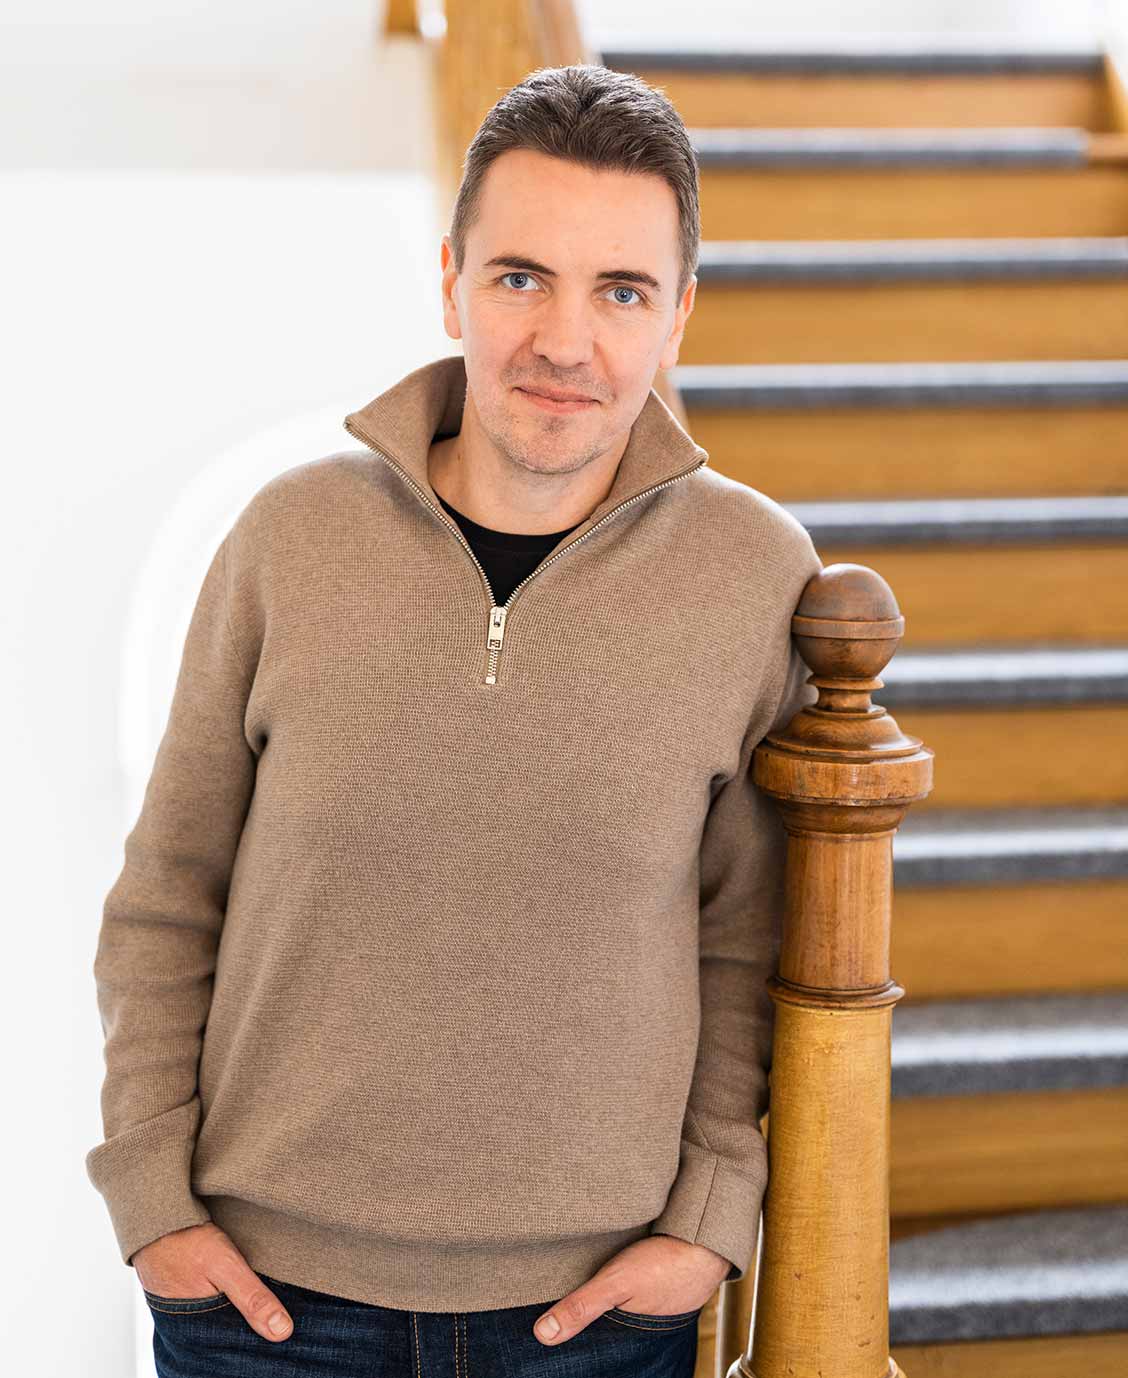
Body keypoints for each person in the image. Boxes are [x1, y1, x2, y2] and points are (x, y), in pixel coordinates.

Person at [85, 62, 822, 1377]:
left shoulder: (757, 576)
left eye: (622, 291)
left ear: (679, 316)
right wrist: (152, 1203)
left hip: (591, 1324)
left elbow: (744, 940)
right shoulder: (288, 538)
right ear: (450, 284)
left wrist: (708, 1224)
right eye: (521, 277)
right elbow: (167, 896)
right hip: (262, 1313)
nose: (565, 342)